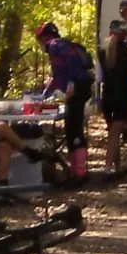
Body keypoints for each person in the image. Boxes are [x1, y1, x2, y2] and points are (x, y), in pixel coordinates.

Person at [35, 23, 95, 181]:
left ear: (44, 38)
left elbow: (72, 64)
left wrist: (71, 83)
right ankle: (77, 171)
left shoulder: (55, 45)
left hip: (77, 90)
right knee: (73, 129)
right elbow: (56, 77)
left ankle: (79, 174)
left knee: (73, 129)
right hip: (81, 89)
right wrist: (43, 96)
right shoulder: (62, 46)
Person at [97, 19, 127, 171]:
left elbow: (99, 78)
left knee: (112, 131)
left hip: (107, 96)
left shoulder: (101, 52)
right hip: (123, 96)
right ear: (124, 35)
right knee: (116, 133)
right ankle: (107, 167)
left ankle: (117, 166)